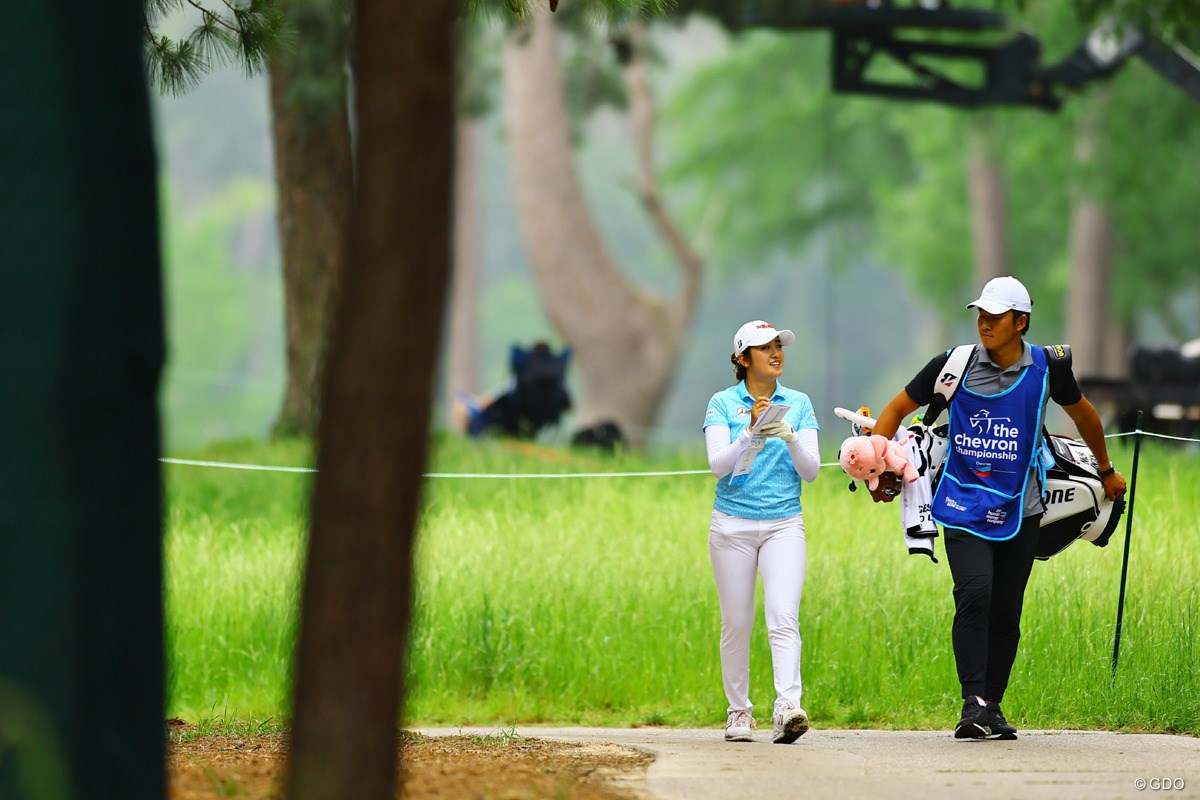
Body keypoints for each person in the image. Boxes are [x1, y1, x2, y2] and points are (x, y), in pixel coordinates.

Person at [870, 276, 1128, 740]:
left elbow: (1085, 415)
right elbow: (893, 411)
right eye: (980, 315)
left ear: (1020, 322)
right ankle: (972, 703)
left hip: (1022, 507)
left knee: (1007, 610)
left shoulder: (1049, 367)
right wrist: (879, 465)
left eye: (995, 316)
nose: (984, 324)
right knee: (975, 595)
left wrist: (1106, 470)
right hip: (961, 503)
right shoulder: (953, 365)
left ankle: (992, 704)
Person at [703, 320, 822, 744]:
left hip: (784, 524)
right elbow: (718, 465)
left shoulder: (799, 403)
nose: (776, 353)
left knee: (783, 616)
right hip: (731, 526)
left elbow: (810, 471)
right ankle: (739, 712)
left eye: (778, 346)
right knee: (736, 621)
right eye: (764, 347)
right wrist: (752, 432)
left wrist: (788, 435)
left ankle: (788, 707)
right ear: (742, 358)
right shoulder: (722, 403)